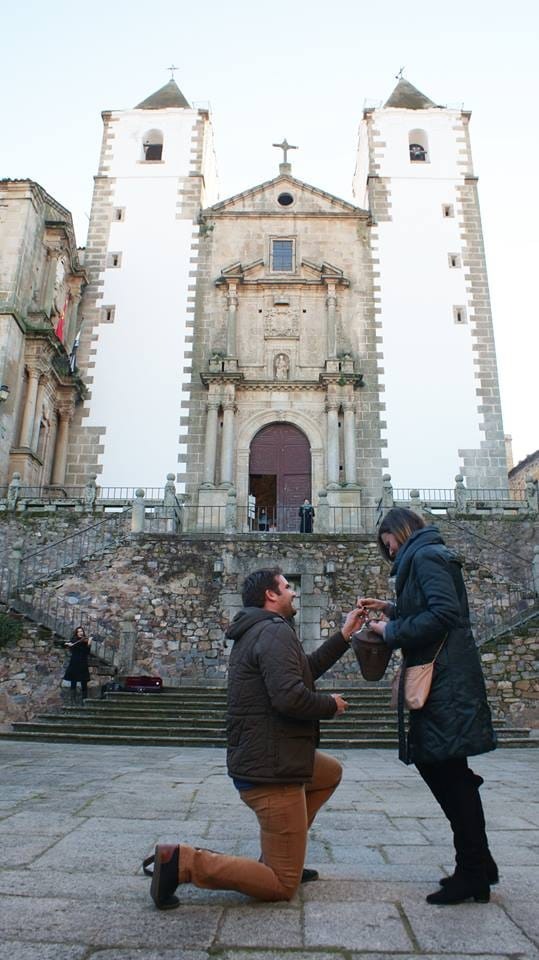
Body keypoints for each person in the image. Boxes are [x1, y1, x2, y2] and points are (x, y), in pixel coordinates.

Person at [143, 566, 364, 910]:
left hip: (266, 757)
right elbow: (290, 697)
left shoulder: (262, 630)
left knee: (328, 773)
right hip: (273, 772)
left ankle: (285, 850)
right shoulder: (273, 632)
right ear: (270, 595)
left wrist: (345, 635)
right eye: (287, 586)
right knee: (280, 884)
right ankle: (182, 862)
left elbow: (303, 670)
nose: (294, 592)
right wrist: (329, 705)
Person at [358, 507, 497, 906]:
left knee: (445, 769)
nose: (386, 549)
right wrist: (392, 609)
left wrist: (392, 631)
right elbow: (430, 607)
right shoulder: (423, 556)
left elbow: (444, 613)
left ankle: (472, 871)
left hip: (445, 680)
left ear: (399, 531)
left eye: (387, 541)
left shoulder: (426, 556)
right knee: (449, 769)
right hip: (444, 677)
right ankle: (479, 863)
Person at [63, 626, 92, 704]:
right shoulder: (73, 640)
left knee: (84, 681)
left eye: (81, 631)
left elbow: (87, 652)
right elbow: (64, 645)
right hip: (75, 662)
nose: (80, 633)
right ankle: (73, 700)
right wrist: (68, 644)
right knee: (73, 680)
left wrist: (89, 644)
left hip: (83, 662)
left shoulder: (85, 641)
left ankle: (84, 700)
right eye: (79, 631)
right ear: (76, 633)